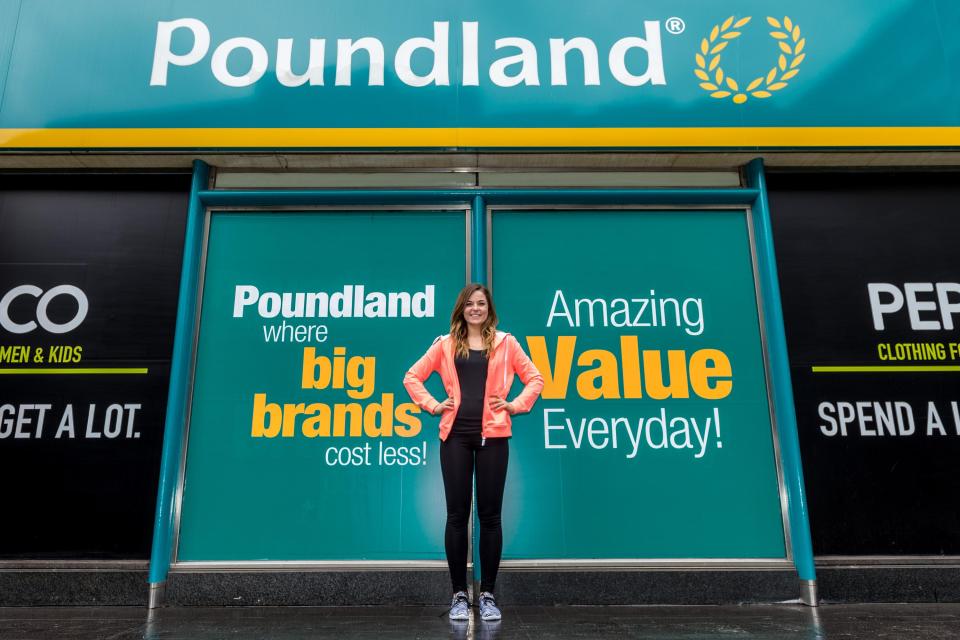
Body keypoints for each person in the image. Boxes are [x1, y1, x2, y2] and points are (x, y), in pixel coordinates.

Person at [403, 283, 543, 622]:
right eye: (470, 304)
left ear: (489, 309)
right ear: (462, 310)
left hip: (494, 437)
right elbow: (412, 377)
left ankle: (489, 595)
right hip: (456, 438)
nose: (475, 308)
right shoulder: (446, 344)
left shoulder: (507, 343)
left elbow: (535, 379)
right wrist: (434, 405)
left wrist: (516, 405)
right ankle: (459, 596)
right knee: (456, 516)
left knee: (490, 517)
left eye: (481, 303)